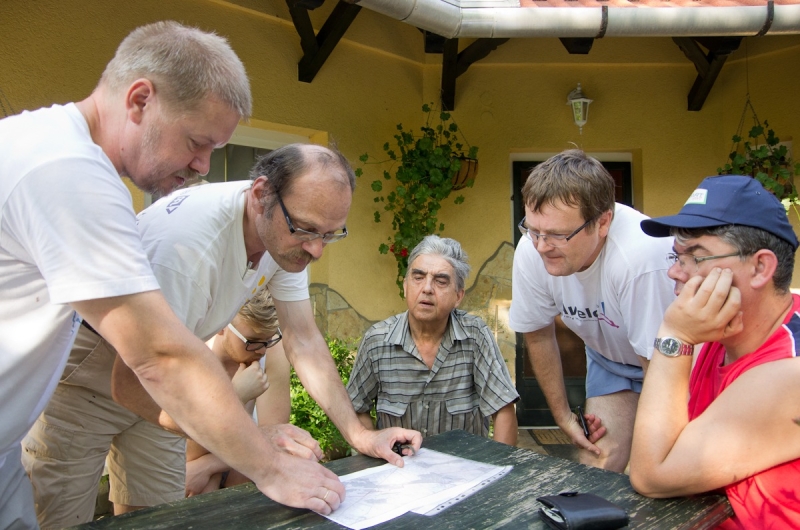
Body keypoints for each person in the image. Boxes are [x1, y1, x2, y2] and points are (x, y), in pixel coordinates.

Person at [0, 21, 342, 529]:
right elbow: (161, 356)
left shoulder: (58, 150)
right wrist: (269, 465)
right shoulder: (68, 172)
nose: (203, 165)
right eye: (197, 142)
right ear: (140, 100)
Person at [21, 144, 421, 528]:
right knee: (61, 519)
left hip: (168, 374)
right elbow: (128, 384)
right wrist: (261, 452)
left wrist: (359, 434)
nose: (316, 249)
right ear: (261, 195)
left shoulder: (283, 239)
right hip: (91, 371)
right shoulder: (187, 249)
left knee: (157, 519)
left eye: (330, 234)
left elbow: (303, 340)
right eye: (306, 229)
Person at [631, 175, 800, 528]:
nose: (674, 271)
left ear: (760, 267)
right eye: (676, 255)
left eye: (696, 257)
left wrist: (675, 335)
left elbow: (651, 475)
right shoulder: (716, 335)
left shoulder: (790, 371)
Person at [508, 149, 675, 472]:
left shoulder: (639, 259)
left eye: (558, 235)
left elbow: (659, 369)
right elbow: (538, 335)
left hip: (670, 364)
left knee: (655, 470)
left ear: (602, 223)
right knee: (596, 460)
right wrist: (563, 417)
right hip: (610, 361)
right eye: (533, 229)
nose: (541, 246)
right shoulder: (532, 248)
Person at [348, 235, 520, 445]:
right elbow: (356, 408)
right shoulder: (377, 341)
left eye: (440, 281)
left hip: (463, 463)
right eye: (418, 277)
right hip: (400, 463)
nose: (427, 288)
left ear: (458, 296)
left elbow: (503, 409)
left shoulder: (475, 336)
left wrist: (498, 464)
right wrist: (375, 447)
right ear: (405, 286)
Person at [185, 289, 287, 497]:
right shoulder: (196, 352)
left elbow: (273, 437)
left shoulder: (271, 353)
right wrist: (236, 395)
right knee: (204, 486)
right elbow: (190, 449)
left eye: (269, 340)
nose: (261, 350)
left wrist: (207, 467)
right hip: (192, 456)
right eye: (252, 341)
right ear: (222, 325)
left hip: (242, 459)